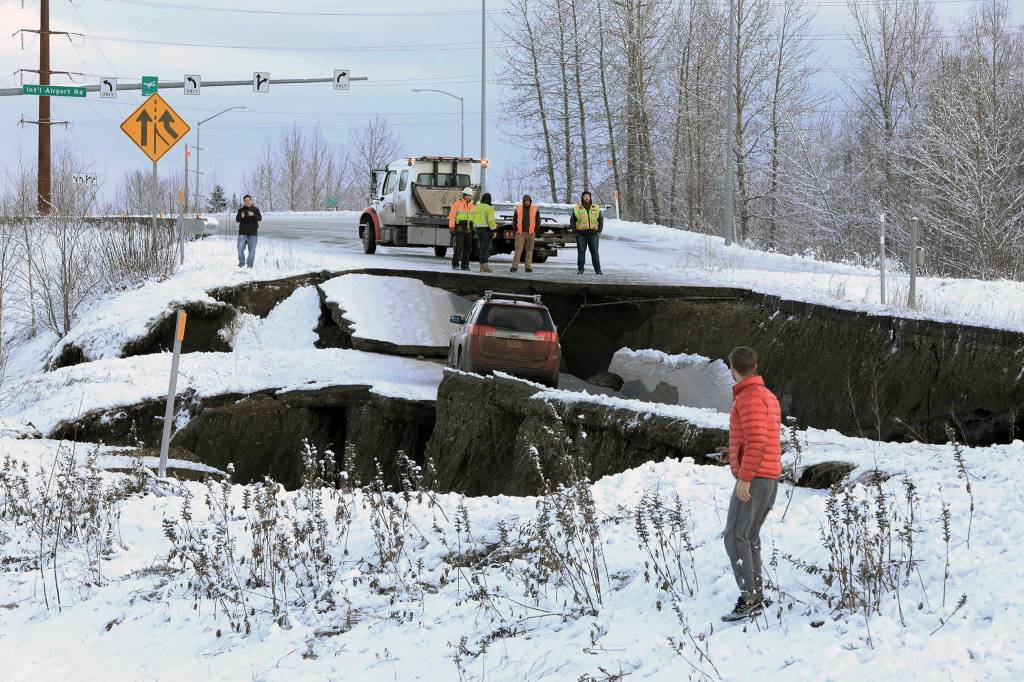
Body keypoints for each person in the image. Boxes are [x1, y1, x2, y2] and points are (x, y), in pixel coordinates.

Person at [720, 346, 781, 623]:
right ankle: (755, 595)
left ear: (733, 368)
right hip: (766, 476)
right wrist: (733, 455)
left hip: (755, 478)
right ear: (754, 365)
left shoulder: (748, 398)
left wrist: (745, 476)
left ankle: (750, 598)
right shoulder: (767, 395)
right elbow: (758, 438)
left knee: (735, 536)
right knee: (748, 536)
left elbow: (757, 441)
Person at [570, 191, 603, 275]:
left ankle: (598, 269)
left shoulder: (596, 207)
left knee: (595, 252)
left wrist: (599, 231)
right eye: (585, 196)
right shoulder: (577, 208)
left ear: (590, 197)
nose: (586, 197)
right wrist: (575, 232)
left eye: (588, 196)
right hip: (581, 234)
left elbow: (601, 219)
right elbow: (572, 220)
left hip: (593, 234)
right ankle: (580, 269)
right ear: (582, 197)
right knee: (581, 252)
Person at [448, 186, 476, 271]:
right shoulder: (457, 204)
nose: (468, 197)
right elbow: (452, 216)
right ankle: (455, 264)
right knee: (459, 247)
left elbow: (474, 218)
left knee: (468, 248)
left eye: (470, 195)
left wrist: (474, 229)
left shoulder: (473, 206)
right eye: (467, 195)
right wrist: (451, 227)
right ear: (464, 195)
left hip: (469, 229)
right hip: (459, 228)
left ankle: (465, 266)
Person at [510, 194, 541, 273]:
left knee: (529, 250)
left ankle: (528, 267)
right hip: (520, 232)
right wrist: (515, 229)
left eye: (528, 201)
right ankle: (514, 266)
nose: (527, 202)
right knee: (518, 250)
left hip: (531, 232)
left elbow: (538, 221)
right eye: (525, 201)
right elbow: (514, 220)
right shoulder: (518, 208)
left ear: (530, 201)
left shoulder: (535, 209)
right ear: (523, 201)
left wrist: (535, 230)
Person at [235, 195, 262, 268]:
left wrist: (253, 215)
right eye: (245, 200)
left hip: (252, 234)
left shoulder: (255, 209)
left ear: (251, 200)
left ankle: (250, 265)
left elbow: (259, 218)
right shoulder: (241, 210)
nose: (247, 201)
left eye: (248, 200)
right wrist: (241, 216)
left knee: (252, 251)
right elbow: (237, 220)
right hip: (242, 233)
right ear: (244, 201)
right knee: (240, 248)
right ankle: (241, 262)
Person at [473, 192, 497, 273]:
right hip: (486, 230)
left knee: (482, 248)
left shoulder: (477, 207)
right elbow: (491, 220)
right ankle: (484, 266)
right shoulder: (488, 208)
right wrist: (494, 231)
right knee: (485, 249)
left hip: (478, 230)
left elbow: (473, 218)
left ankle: (482, 266)